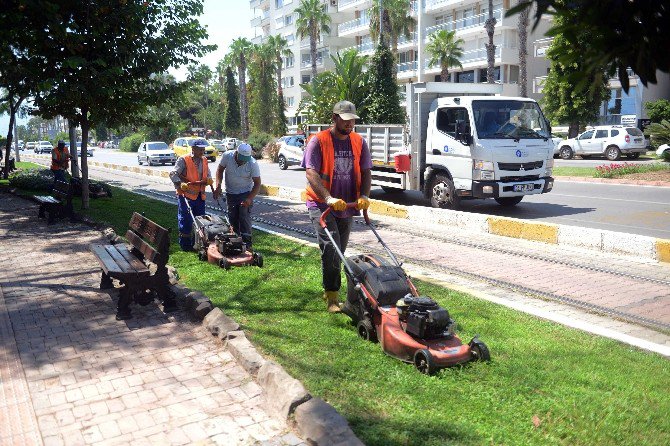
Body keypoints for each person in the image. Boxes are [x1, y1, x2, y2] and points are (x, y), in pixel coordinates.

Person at [301, 100, 372, 313]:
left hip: (346, 204)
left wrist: (364, 195)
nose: (350, 124)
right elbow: (311, 172)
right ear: (334, 118)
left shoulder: (359, 142)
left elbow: (367, 171)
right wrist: (328, 197)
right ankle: (332, 296)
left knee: (339, 250)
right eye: (346, 120)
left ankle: (334, 289)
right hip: (321, 203)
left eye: (353, 120)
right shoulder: (319, 141)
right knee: (331, 248)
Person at [213, 143, 261, 250]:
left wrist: (249, 198)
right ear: (236, 153)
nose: (243, 161)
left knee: (244, 218)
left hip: (245, 193)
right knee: (233, 218)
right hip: (231, 193)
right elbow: (220, 170)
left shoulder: (252, 163)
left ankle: (247, 245)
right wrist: (218, 186)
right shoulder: (227, 156)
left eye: (245, 159)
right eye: (241, 159)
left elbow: (257, 183)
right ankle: (235, 242)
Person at [169, 139, 213, 251]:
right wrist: (180, 183)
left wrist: (209, 179)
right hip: (186, 195)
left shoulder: (204, 160)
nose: (202, 151)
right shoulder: (183, 160)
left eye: (203, 149)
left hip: (200, 196)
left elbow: (207, 173)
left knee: (200, 221)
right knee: (186, 220)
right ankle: (185, 245)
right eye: (200, 149)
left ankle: (198, 243)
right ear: (193, 148)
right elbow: (173, 174)